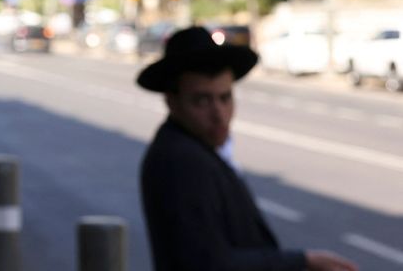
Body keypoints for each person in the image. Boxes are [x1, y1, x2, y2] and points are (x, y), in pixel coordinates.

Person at [137, 26, 358, 271]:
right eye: (201, 100)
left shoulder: (193, 149)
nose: (219, 114)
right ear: (172, 102)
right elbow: (208, 264)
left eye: (225, 98)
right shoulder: (181, 161)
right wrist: (303, 261)